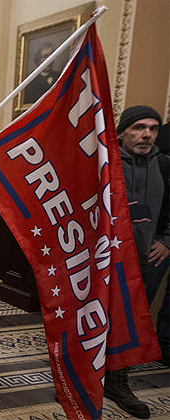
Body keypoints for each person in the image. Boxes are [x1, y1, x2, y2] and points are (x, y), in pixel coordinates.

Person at [113, 105, 167, 419]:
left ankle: (119, 383)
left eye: (152, 128)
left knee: (129, 323)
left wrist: (166, 242)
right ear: (122, 132)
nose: (146, 134)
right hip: (106, 260)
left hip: (146, 261)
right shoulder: (106, 164)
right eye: (138, 128)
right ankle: (87, 375)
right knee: (98, 319)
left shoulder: (165, 165)